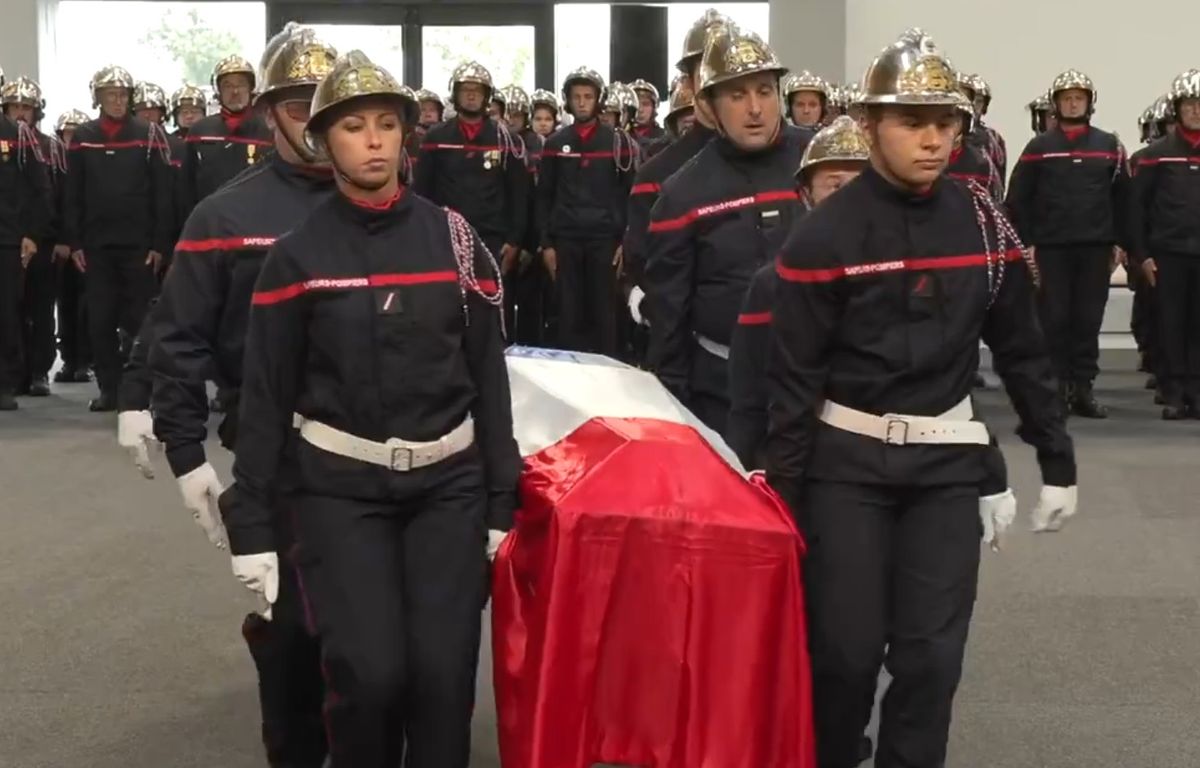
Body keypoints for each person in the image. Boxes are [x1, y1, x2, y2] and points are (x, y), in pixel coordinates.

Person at [765, 31, 1076, 768]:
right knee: (841, 657)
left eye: (946, 123)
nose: (934, 140)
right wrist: (780, 496)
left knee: (931, 662)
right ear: (870, 125)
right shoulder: (822, 236)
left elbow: (1024, 349)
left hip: (944, 470)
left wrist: (1055, 460)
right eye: (913, 123)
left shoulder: (981, 220)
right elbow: (793, 379)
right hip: (844, 472)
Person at [218, 51, 520, 768]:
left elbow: (489, 375)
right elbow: (265, 396)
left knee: (444, 680)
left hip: (449, 490)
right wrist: (253, 524)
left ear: (407, 137)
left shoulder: (454, 240)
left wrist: (502, 497)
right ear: (326, 141)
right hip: (339, 495)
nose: (375, 139)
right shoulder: (296, 258)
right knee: (370, 675)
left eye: (388, 124)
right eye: (355, 127)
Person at [145, 27, 340, 767]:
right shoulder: (223, 217)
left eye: (329, 104)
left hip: (383, 453)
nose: (316, 120)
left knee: (378, 635)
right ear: (268, 112)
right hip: (274, 452)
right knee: (296, 627)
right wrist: (187, 452)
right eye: (298, 103)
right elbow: (176, 336)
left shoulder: (393, 207)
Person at [643, 27, 808, 434]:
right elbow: (669, 318)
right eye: (737, 96)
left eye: (765, 91)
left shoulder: (819, 165)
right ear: (710, 105)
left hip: (819, 389)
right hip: (722, 397)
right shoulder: (681, 194)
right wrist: (675, 413)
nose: (755, 108)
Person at [727, 115, 868, 468]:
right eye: (834, 185)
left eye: (863, 184)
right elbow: (749, 400)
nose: (849, 199)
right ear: (806, 195)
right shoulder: (772, 284)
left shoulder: (909, 276)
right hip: (801, 461)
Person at [1006, 69, 1130, 418]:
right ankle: (1055, 389)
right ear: (1056, 104)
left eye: (1079, 98)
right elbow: (1020, 198)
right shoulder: (1039, 148)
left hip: (1096, 249)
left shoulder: (1109, 145)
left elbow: (1124, 198)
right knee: (1054, 319)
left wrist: (1121, 241)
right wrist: (1027, 241)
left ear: (1090, 103)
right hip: (1052, 249)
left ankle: (1083, 389)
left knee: (1087, 320)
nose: (1073, 103)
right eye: (1067, 98)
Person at [64, 65, 173, 412]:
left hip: (139, 247)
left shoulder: (149, 133)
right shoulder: (83, 135)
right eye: (110, 94)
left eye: (123, 95)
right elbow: (72, 193)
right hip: (96, 248)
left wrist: (159, 244)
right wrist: (75, 242)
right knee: (100, 321)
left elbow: (162, 192)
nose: (117, 100)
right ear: (97, 98)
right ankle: (109, 389)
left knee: (141, 321)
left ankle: (142, 390)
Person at [622, 10, 733, 338]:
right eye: (705, 71)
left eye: (726, 70)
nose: (716, 82)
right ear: (688, 83)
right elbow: (640, 269)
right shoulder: (655, 174)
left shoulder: (793, 163)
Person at [535, 66, 635, 355]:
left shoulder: (618, 142)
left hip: (606, 242)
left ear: (598, 100)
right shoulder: (555, 143)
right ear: (567, 100)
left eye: (588, 96)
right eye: (576, 96)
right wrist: (546, 244)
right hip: (565, 242)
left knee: (606, 317)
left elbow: (631, 196)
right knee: (568, 317)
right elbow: (544, 196)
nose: (581, 102)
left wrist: (625, 240)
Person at [1128, 70, 1200, 419]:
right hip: (1167, 257)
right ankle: (1173, 393)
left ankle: (1197, 394)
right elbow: (1136, 210)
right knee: (1170, 326)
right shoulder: (1156, 155)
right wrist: (1141, 256)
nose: (1196, 111)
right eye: (1190, 105)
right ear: (1178, 109)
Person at [1, 76, 59, 398]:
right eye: (14, 106)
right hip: (11, 236)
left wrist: (36, 234)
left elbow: (46, 192)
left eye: (27, 107)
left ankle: (28, 374)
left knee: (28, 309)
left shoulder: (41, 143)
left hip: (26, 239)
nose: (21, 113)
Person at [183, 55, 273, 215]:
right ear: (218, 91)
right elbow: (185, 187)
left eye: (241, 85)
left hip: (258, 218)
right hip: (210, 221)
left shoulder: (269, 129)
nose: (235, 91)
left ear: (251, 88)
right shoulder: (200, 131)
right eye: (228, 86)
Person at [51, 108, 92, 385]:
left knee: (88, 306)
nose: (71, 139)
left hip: (89, 245)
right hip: (60, 246)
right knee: (64, 305)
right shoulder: (53, 164)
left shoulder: (93, 165)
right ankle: (69, 359)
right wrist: (60, 241)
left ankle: (86, 361)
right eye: (67, 134)